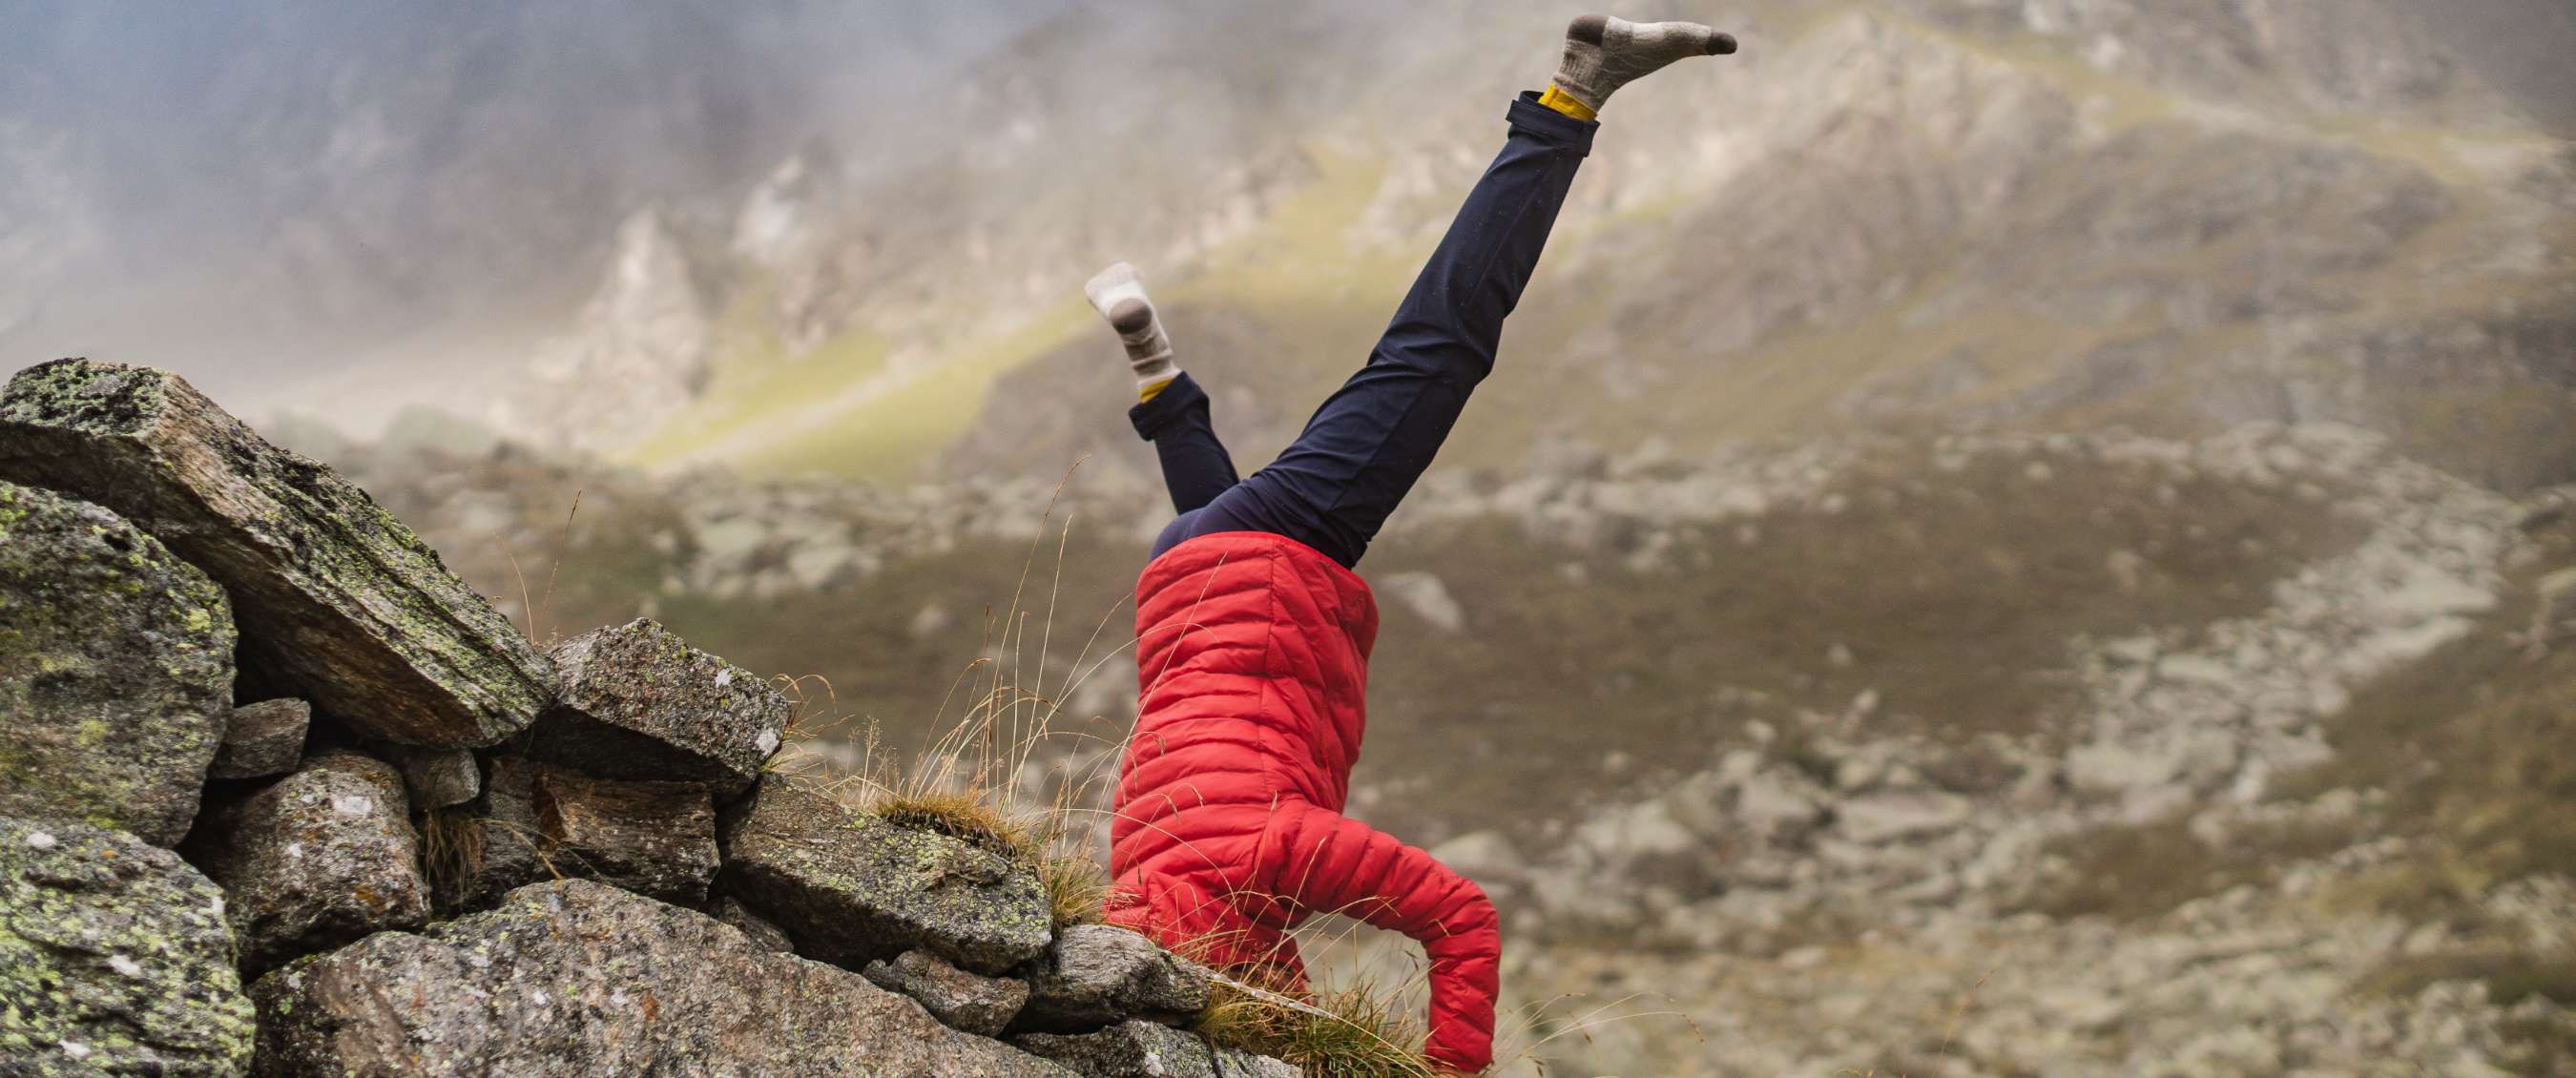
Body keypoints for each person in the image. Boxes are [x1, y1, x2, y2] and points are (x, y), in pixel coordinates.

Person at [1094, 15, 1735, 1073]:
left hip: (1261, 555)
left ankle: (1574, 94)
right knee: (1224, 546)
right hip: (1181, 579)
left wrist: (1449, 1070)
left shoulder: (1271, 861)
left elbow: (1462, 917)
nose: (1274, 991)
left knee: (1439, 350)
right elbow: (1269, 1000)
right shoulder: (1131, 884)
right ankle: (1161, 377)